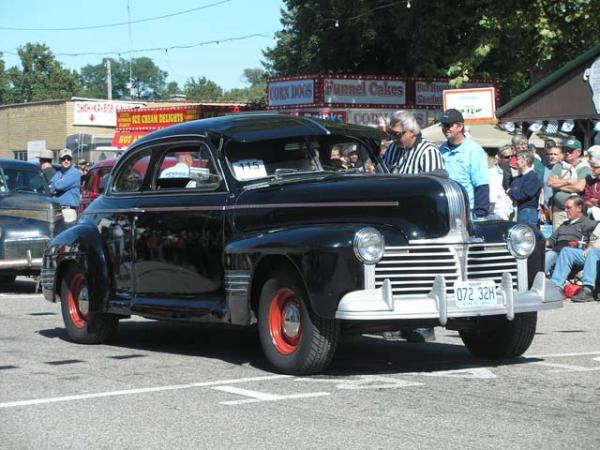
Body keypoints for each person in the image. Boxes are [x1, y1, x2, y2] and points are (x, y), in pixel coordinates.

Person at [438, 108, 489, 218]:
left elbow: (481, 184)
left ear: (460, 127)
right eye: (443, 125)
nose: (445, 129)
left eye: (449, 125)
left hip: (466, 211)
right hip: (445, 209)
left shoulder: (474, 150)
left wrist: (480, 214)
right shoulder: (440, 149)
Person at [544, 196, 597, 275]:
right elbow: (551, 240)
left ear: (579, 208)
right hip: (557, 250)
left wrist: (589, 246)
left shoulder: (588, 223)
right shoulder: (564, 224)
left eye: (568, 208)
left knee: (550, 255)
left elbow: (595, 237)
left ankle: (536, 281)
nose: (565, 210)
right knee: (539, 252)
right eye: (565, 208)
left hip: (573, 251)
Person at [550, 221, 600, 302]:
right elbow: (593, 239)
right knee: (566, 251)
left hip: (596, 254)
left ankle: (588, 288)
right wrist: (588, 248)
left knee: (593, 252)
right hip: (592, 253)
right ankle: (556, 287)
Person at [383, 110, 445, 175]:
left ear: (412, 131)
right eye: (391, 133)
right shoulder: (392, 148)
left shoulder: (428, 152)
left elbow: (434, 183)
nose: (393, 138)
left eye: (397, 134)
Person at [547, 138, 591, 228]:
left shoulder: (584, 168)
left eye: (570, 151)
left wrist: (558, 185)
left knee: (573, 239)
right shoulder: (559, 165)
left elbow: (579, 187)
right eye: (565, 150)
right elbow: (550, 182)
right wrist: (568, 182)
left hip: (575, 212)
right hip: (559, 211)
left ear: (578, 152)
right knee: (558, 238)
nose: (567, 153)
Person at [507, 151, 543, 227]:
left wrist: (511, 192)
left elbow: (526, 193)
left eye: (518, 159)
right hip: (518, 211)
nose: (516, 162)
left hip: (527, 212)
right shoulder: (519, 177)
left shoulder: (532, 177)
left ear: (525, 161)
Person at [49, 148, 81, 222]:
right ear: (60, 160)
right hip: (57, 209)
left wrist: (55, 186)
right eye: (63, 159)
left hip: (68, 211)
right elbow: (50, 186)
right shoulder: (58, 172)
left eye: (68, 158)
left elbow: (58, 186)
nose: (66, 161)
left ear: (71, 160)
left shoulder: (75, 173)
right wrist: (55, 186)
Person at [488, 154, 513, 220]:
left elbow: (492, 200)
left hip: (497, 213)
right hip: (502, 210)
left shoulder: (491, 175)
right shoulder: (498, 172)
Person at [583, 146, 600, 220]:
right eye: (591, 166)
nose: (592, 169)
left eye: (595, 167)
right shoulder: (590, 181)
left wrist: (594, 201)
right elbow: (586, 199)